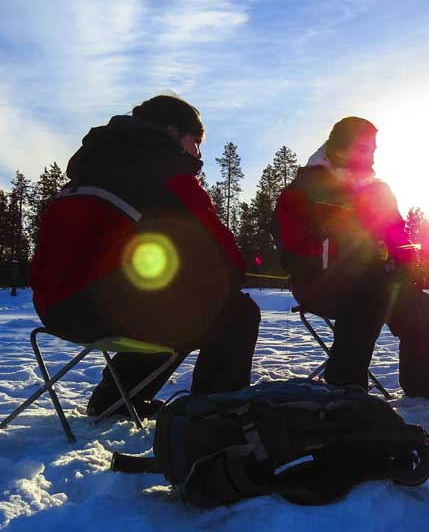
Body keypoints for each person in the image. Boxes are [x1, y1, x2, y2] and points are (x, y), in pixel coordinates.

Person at [30, 95, 260, 417]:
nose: (198, 153)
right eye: (195, 141)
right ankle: (213, 417)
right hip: (101, 313)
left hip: (53, 310)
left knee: (170, 303)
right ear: (172, 132)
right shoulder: (169, 174)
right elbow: (228, 261)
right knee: (236, 313)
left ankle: (116, 399)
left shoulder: (95, 169)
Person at [276, 116, 429, 400]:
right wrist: (344, 255)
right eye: (364, 148)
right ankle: (346, 385)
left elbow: (398, 235)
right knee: (366, 299)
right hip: (321, 283)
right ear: (340, 146)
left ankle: (422, 383)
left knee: (426, 312)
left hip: (378, 280)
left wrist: (404, 261)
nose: (371, 155)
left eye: (374, 149)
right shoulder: (306, 188)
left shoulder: (379, 189)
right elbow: (292, 246)